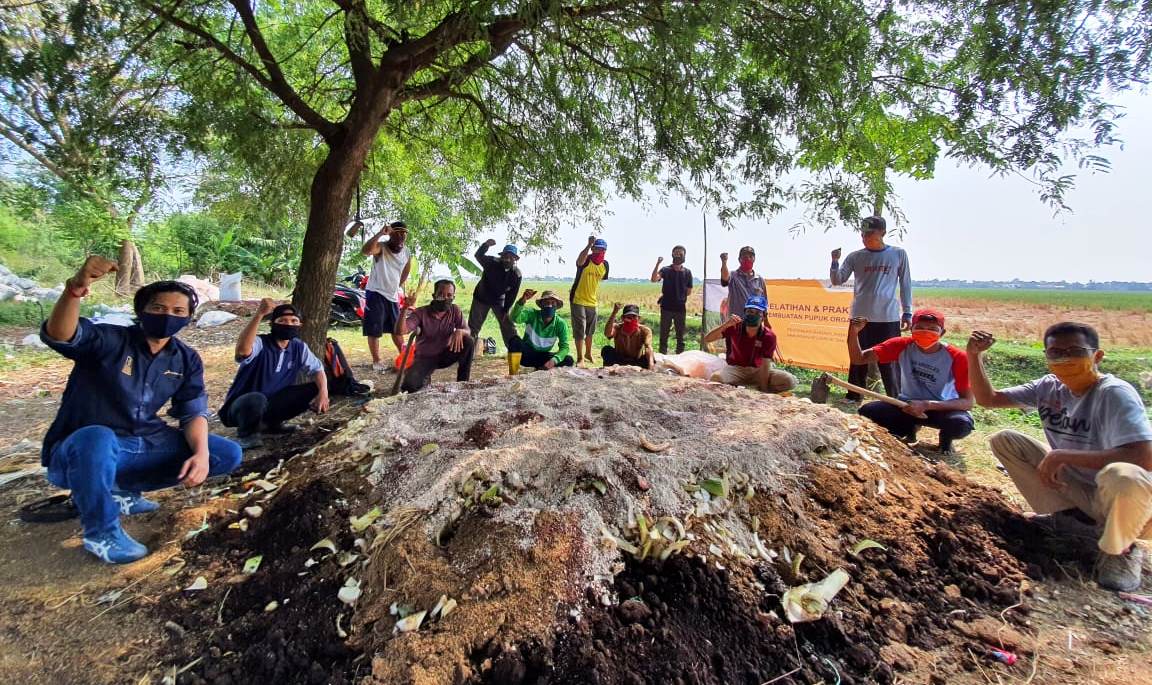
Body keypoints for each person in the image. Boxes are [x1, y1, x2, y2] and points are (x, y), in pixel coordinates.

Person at [38, 257, 242, 564]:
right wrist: (74, 289)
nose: (167, 316)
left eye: (178, 311)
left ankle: (123, 489)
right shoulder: (110, 339)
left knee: (224, 454)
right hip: (81, 450)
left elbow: (192, 412)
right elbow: (62, 334)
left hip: (142, 442)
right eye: (158, 308)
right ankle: (101, 532)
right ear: (141, 311)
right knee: (97, 437)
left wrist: (199, 454)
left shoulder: (185, 359)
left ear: (188, 318)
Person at [968, 322, 1152, 592]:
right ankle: (1072, 520)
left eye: (1075, 351)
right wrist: (974, 355)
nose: (1065, 359)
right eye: (1056, 353)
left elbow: (1143, 456)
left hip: (1131, 503)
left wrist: (1063, 455)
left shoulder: (1114, 393)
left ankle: (1120, 550)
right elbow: (989, 399)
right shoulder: (1048, 387)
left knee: (1124, 475)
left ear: (1097, 356)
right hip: (1080, 489)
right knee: (1006, 441)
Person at [847, 310, 973, 455]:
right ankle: (908, 429)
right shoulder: (901, 346)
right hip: (907, 406)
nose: (925, 333)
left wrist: (927, 404)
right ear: (911, 329)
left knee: (960, 424)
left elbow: (967, 402)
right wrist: (854, 332)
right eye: (919, 328)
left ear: (942, 333)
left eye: (932, 329)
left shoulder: (958, 357)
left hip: (941, 409)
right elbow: (859, 359)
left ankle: (945, 440)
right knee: (868, 412)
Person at [219, 299, 330, 449]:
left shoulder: (298, 347)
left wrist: (323, 393)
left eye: (293, 321)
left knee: (315, 388)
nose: (288, 324)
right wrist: (259, 314)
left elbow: (317, 370)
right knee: (256, 398)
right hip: (241, 407)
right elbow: (243, 351)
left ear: (300, 325)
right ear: (272, 324)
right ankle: (247, 435)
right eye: (282, 320)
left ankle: (272, 425)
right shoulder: (260, 343)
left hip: (271, 404)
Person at [830, 216, 912, 399]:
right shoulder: (855, 256)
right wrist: (834, 261)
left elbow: (906, 283)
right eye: (863, 233)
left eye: (870, 233)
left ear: (882, 232)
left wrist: (907, 312)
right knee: (857, 359)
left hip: (887, 317)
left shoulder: (898, 254)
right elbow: (837, 280)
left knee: (889, 360)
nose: (865, 236)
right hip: (860, 317)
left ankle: (895, 398)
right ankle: (854, 396)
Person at [704, 295, 797, 394]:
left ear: (764, 316)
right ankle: (732, 391)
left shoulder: (768, 336)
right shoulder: (735, 327)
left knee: (788, 381)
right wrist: (726, 325)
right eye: (750, 311)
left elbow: (765, 364)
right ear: (745, 312)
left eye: (757, 312)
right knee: (716, 378)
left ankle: (757, 391)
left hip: (758, 370)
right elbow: (707, 339)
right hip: (736, 369)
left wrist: (763, 390)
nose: (753, 315)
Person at [398, 279, 475, 392]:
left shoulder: (454, 310)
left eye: (449, 295)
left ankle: (462, 384)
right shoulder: (421, 312)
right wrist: (405, 308)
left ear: (453, 297)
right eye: (441, 294)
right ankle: (424, 376)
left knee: (469, 341)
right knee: (409, 387)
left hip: (445, 354)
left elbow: (467, 330)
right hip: (425, 358)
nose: (445, 298)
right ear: (434, 295)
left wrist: (460, 331)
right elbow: (401, 330)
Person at [361, 220, 412, 372]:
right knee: (374, 330)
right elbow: (366, 251)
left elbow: (406, 270)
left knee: (397, 329)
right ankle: (376, 361)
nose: (401, 235)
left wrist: (396, 286)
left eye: (404, 233)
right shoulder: (381, 247)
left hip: (392, 295)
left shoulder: (406, 252)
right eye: (398, 232)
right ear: (391, 233)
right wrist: (380, 234)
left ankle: (404, 357)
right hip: (376, 293)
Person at [468, 239, 522, 346]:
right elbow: (478, 255)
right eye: (505, 256)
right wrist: (486, 245)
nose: (507, 259)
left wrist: (506, 310)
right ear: (501, 256)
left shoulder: (516, 274)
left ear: (515, 259)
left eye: (511, 257)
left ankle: (515, 350)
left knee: (508, 325)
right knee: (473, 327)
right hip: (481, 298)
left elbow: (512, 294)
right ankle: (468, 351)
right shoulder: (492, 262)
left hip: (499, 301)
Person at [507, 289, 574, 373]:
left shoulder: (560, 323)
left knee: (568, 359)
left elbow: (565, 347)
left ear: (556, 307)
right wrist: (522, 300)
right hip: (526, 355)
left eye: (553, 303)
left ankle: (539, 369)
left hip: (543, 357)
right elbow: (514, 318)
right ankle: (513, 373)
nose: (549, 306)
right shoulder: (532, 314)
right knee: (514, 341)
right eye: (546, 303)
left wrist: (552, 361)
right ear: (541, 305)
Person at [570, 236, 610, 366]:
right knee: (580, 329)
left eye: (602, 249)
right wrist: (588, 245)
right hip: (578, 299)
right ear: (592, 249)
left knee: (590, 330)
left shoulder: (605, 265)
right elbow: (579, 262)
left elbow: (602, 279)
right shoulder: (586, 260)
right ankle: (580, 358)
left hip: (592, 301)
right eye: (596, 249)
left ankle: (588, 353)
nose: (599, 251)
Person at [650, 245, 694, 354]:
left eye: (680, 253)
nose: (678, 255)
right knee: (664, 335)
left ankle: (680, 358)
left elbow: (689, 291)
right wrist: (658, 263)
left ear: (684, 256)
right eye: (676, 253)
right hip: (666, 307)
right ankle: (662, 357)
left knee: (680, 336)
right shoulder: (665, 270)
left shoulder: (687, 272)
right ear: (672, 254)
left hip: (680, 308)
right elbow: (654, 279)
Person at [601, 303, 653, 369]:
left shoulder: (645, 331)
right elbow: (607, 333)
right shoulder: (617, 328)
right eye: (628, 317)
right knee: (606, 350)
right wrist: (614, 313)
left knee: (651, 358)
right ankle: (609, 370)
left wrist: (651, 364)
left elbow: (648, 347)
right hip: (619, 360)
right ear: (623, 318)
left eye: (634, 317)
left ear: (639, 319)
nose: (631, 319)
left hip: (636, 361)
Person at [720, 246, 765, 319]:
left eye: (751, 256)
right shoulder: (733, 276)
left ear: (754, 259)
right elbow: (725, 280)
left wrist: (765, 320)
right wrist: (724, 262)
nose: (748, 259)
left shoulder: (759, 279)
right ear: (739, 259)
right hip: (736, 322)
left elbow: (764, 302)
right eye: (745, 257)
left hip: (754, 323)